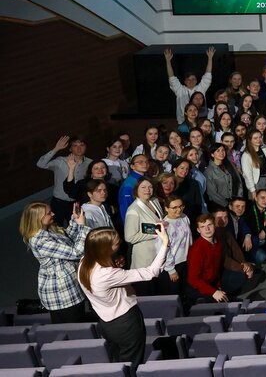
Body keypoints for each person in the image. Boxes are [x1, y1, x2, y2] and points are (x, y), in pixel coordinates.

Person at [77, 225, 167, 370]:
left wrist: (114, 265)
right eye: (116, 243)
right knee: (132, 365)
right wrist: (165, 244)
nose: (120, 242)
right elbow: (151, 272)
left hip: (107, 324)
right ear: (104, 249)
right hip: (126, 324)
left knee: (119, 363)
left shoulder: (84, 262)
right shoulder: (106, 274)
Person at [20, 202, 91, 323]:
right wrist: (83, 227)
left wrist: (75, 220)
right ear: (38, 219)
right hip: (62, 295)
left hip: (70, 287)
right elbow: (76, 252)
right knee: (74, 329)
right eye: (48, 213)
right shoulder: (40, 241)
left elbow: (68, 240)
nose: (53, 214)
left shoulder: (48, 230)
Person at [37, 135, 92, 225]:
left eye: (82, 145)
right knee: (55, 227)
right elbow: (40, 164)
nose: (79, 148)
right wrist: (56, 149)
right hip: (58, 203)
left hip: (77, 203)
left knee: (78, 226)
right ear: (70, 149)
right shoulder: (60, 161)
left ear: (86, 147)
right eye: (75, 145)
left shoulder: (90, 163)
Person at [165, 47, 215, 124]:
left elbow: (208, 74)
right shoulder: (179, 90)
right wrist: (168, 61)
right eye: (188, 79)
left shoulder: (201, 88)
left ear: (196, 81)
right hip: (183, 122)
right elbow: (171, 77)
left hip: (200, 121)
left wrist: (210, 58)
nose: (191, 81)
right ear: (185, 81)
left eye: (193, 79)